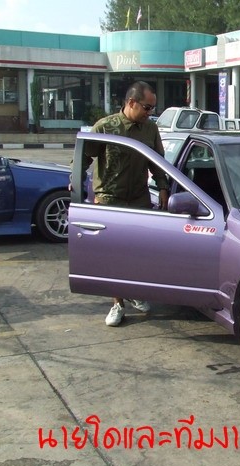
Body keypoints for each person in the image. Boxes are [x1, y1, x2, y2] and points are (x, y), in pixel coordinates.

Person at [79, 81, 170, 327]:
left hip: (139, 198)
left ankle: (134, 291)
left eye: (152, 108)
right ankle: (117, 303)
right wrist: (73, 180)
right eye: (147, 107)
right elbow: (84, 157)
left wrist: (163, 186)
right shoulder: (105, 127)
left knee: (139, 252)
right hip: (110, 199)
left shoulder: (150, 129)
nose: (150, 112)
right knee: (115, 255)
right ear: (131, 102)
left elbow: (158, 162)